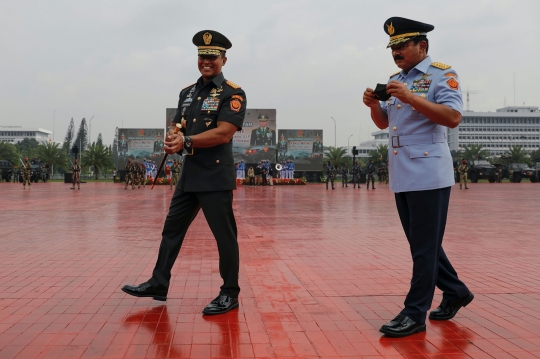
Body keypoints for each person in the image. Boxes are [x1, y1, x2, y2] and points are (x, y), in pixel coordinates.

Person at [122, 30, 247, 315]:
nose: (207, 61)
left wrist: (187, 141)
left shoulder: (233, 93)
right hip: (189, 174)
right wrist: (173, 135)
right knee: (172, 230)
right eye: (202, 56)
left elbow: (224, 133)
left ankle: (229, 293)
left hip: (215, 177)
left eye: (213, 57)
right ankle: (158, 283)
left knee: (224, 236)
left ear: (223, 60)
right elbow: (179, 125)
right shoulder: (187, 92)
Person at [363, 17, 472, 338]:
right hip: (402, 172)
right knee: (423, 244)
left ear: (421, 46)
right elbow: (384, 124)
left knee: (423, 248)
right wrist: (373, 106)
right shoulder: (397, 78)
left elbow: (452, 117)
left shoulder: (442, 74)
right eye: (392, 47)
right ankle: (455, 291)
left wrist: (411, 97)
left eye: (402, 46)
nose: (396, 52)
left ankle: (414, 313)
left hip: (428, 171)